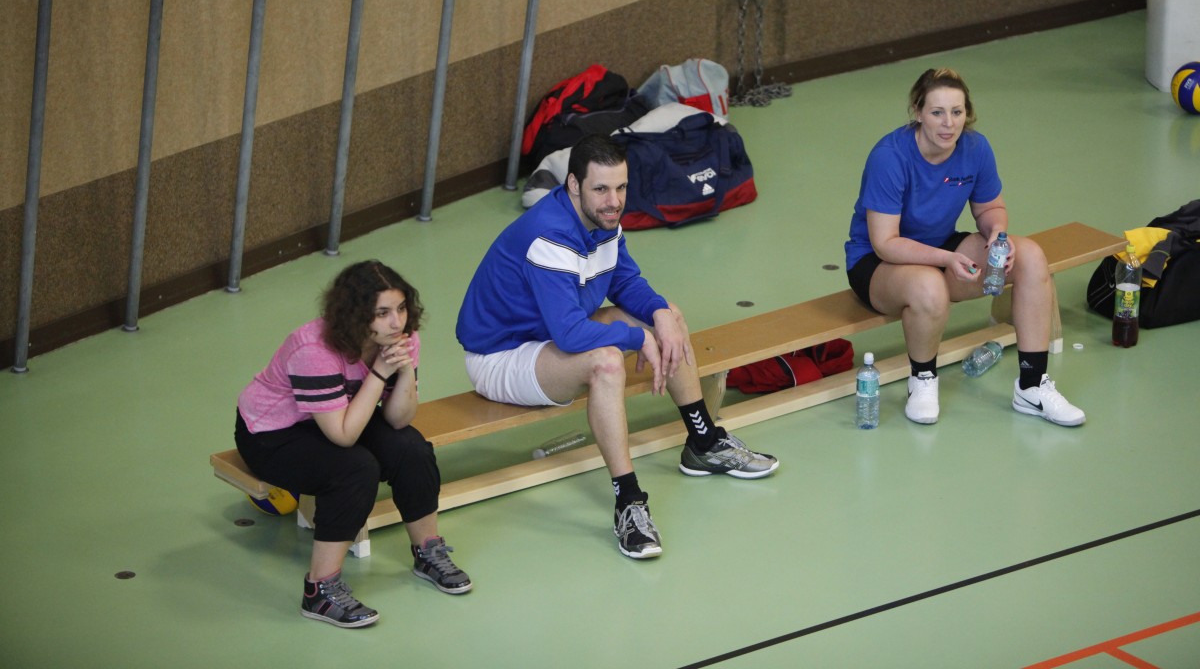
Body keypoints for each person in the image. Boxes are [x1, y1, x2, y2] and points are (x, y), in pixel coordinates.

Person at [456, 134, 779, 560]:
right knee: (607, 362)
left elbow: (624, 281)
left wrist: (658, 314)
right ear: (574, 184)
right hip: (501, 355)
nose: (614, 201)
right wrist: (636, 337)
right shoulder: (548, 235)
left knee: (668, 315)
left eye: (621, 187)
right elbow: (571, 335)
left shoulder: (603, 220)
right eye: (601, 189)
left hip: (547, 335)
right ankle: (628, 501)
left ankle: (703, 442)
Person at [235, 260, 472, 629]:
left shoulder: (401, 338)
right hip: (272, 432)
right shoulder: (313, 349)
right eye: (382, 313)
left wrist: (403, 369)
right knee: (355, 469)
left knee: (411, 448)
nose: (396, 322)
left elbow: (399, 420)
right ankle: (319, 590)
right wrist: (380, 371)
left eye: (401, 308)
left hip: (339, 413)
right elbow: (343, 436)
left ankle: (428, 552)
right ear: (355, 315)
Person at [844, 68, 1085, 427]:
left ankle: (1032, 386)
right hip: (876, 262)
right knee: (929, 286)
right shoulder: (889, 157)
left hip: (942, 248)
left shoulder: (975, 148)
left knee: (1031, 256)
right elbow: (885, 242)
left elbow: (990, 208)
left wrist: (997, 234)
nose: (948, 123)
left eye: (957, 112)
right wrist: (946, 258)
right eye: (937, 112)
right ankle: (922, 379)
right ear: (917, 111)